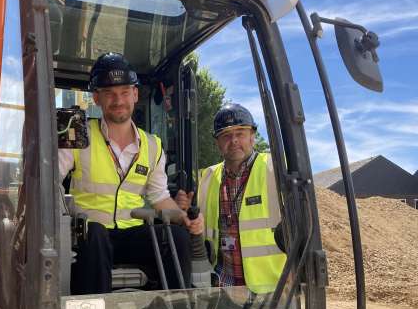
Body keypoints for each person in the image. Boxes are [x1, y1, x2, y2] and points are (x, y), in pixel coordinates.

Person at [59, 52, 203, 295]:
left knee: (176, 237)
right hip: (88, 235)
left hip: (132, 233)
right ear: (96, 97)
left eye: (125, 92)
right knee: (94, 233)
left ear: (135, 94)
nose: (118, 100)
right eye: (109, 93)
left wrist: (183, 217)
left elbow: (159, 198)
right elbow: (51, 183)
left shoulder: (153, 145)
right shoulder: (76, 129)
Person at [177, 103, 286, 293]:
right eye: (226, 135)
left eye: (240, 133)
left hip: (271, 292)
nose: (234, 140)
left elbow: (302, 226)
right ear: (217, 143)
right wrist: (184, 210)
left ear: (252, 136)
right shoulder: (207, 177)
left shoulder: (276, 169)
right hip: (222, 288)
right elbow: (197, 226)